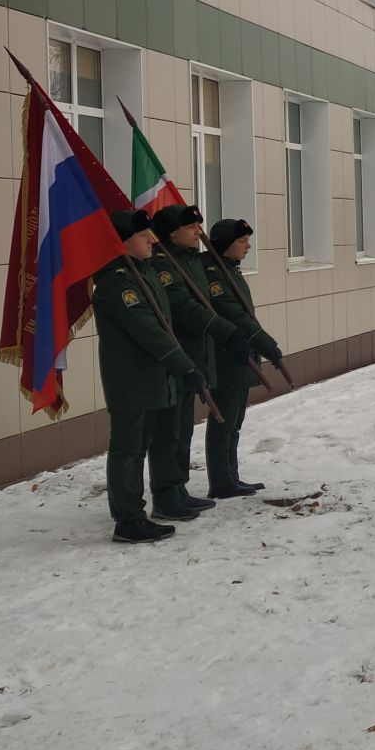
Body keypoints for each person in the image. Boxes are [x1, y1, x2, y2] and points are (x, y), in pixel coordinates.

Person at [93, 210, 207, 543]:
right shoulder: (116, 282)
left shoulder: (142, 273)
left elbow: (163, 326)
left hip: (153, 377)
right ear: (122, 243)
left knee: (144, 445)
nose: (150, 240)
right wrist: (184, 366)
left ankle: (148, 506)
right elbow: (148, 331)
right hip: (131, 380)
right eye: (143, 236)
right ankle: (127, 519)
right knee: (128, 449)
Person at [146, 204, 240, 521]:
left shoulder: (190, 261)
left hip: (195, 356)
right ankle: (164, 493)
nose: (199, 232)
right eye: (192, 228)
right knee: (168, 430)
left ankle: (179, 488)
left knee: (183, 427)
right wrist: (220, 326)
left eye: (199, 226)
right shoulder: (163, 263)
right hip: (176, 356)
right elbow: (183, 307)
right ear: (172, 233)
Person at [200, 218, 286, 498]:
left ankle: (230, 476)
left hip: (240, 354)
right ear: (226, 244)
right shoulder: (215, 275)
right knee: (224, 420)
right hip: (226, 356)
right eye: (242, 241)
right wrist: (265, 343)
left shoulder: (230, 271)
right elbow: (234, 317)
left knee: (235, 421)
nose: (248, 246)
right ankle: (221, 480)